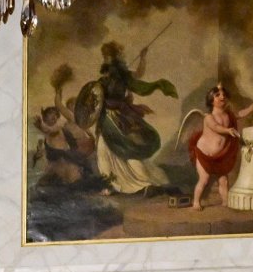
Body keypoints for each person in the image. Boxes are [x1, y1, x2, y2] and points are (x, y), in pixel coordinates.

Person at [74, 41, 177, 196]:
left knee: (125, 150)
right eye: (105, 56)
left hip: (119, 119)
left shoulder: (124, 77)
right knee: (104, 151)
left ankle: (138, 183)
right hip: (105, 119)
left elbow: (138, 76)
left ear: (115, 58)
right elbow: (94, 100)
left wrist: (142, 58)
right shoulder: (102, 81)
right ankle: (109, 185)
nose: (106, 59)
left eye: (109, 56)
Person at [187, 83, 253, 209]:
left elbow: (240, 114)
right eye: (217, 95)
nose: (222, 96)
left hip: (220, 156)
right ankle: (196, 202)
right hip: (204, 154)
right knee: (204, 179)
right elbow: (216, 127)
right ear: (211, 100)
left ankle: (225, 202)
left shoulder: (228, 114)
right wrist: (228, 130)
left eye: (224, 94)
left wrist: (251, 109)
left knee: (223, 180)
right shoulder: (208, 117)